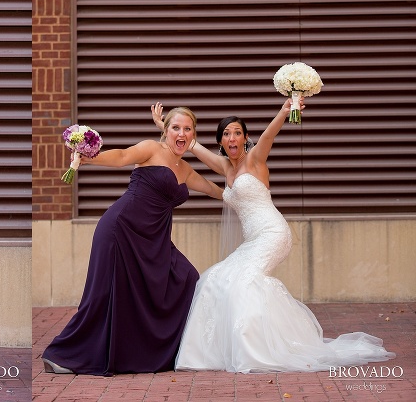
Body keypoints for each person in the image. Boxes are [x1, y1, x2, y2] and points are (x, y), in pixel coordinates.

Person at [151, 99, 396, 372]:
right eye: (226, 134)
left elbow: (269, 134)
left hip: (273, 234)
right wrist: (166, 127)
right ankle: (213, 353)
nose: (232, 138)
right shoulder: (225, 166)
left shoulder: (254, 159)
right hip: (253, 240)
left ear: (245, 138)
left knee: (244, 282)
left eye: (237, 133)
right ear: (220, 141)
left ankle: (257, 350)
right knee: (213, 279)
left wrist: (285, 110)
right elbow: (190, 144)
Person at [42, 107, 224, 375]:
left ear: (193, 135)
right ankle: (65, 355)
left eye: (187, 129)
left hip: (154, 241)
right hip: (121, 229)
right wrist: (90, 158)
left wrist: (243, 195)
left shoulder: (185, 169)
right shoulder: (151, 148)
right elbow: (122, 156)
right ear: (165, 131)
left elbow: (213, 189)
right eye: (176, 128)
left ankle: (172, 351)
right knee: (103, 294)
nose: (181, 133)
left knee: (186, 278)